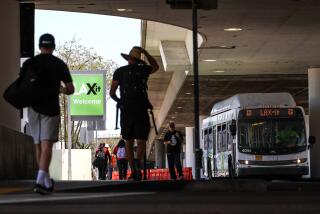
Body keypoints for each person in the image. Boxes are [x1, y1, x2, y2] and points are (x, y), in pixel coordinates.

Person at [26, 33, 74, 194]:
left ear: (40, 47)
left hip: (33, 108)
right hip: (50, 108)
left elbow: (22, 85)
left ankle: (45, 181)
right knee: (47, 145)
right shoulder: (59, 64)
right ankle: (40, 180)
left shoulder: (30, 63)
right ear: (53, 47)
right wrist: (60, 89)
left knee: (38, 144)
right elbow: (70, 89)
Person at [110, 46, 159, 181]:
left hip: (126, 110)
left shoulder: (119, 72)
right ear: (139, 59)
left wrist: (120, 101)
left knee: (128, 141)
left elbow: (112, 93)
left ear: (128, 59)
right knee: (141, 140)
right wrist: (146, 53)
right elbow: (156, 66)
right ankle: (137, 164)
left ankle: (133, 170)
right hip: (141, 109)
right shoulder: (144, 70)